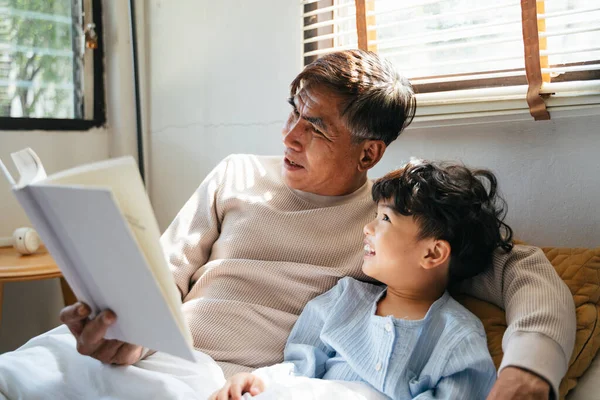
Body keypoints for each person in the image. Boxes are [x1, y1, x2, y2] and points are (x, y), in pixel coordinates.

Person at [59, 50, 576, 399]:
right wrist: (129, 334)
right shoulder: (235, 172)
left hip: (225, 383)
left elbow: (522, 269)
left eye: (316, 127)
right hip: (148, 354)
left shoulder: (393, 221)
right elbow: (164, 273)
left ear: (368, 152)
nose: (289, 137)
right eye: (293, 113)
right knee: (28, 369)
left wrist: (530, 368)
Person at [212, 160, 505, 400]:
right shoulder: (345, 298)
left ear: (432, 253)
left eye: (385, 220)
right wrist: (254, 381)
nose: (368, 227)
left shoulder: (457, 337)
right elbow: (298, 368)